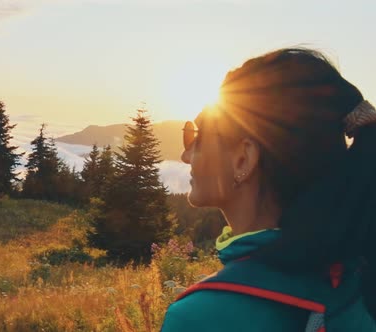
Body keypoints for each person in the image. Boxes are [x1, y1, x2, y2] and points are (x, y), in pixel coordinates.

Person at [161, 48, 376, 331]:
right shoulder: (358, 282)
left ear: (243, 159)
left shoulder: (200, 317)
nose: (186, 156)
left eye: (197, 137)